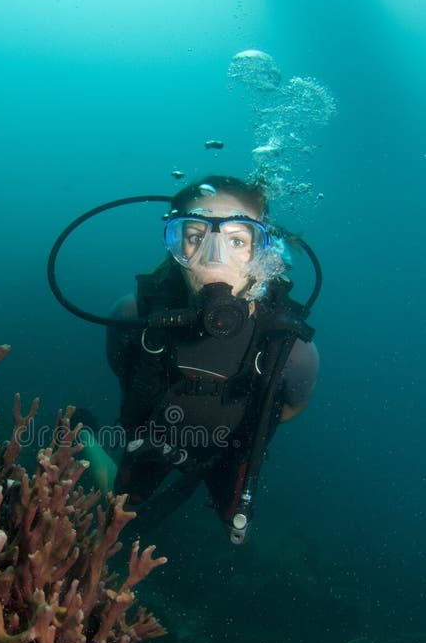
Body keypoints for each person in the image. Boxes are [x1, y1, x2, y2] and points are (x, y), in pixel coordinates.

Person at [80, 175, 319, 543]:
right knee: (118, 508)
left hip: (231, 451)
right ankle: (84, 433)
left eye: (237, 241)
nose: (214, 260)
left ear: (263, 253)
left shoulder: (292, 350)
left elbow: (289, 406)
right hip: (153, 438)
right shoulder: (133, 315)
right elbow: (123, 369)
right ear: (175, 247)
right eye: (194, 237)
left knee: (237, 534)